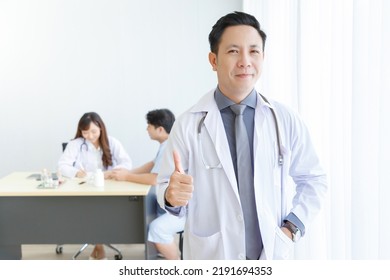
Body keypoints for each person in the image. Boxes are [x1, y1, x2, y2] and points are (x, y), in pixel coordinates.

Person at [156, 11, 327, 260]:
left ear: (263, 57)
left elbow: (314, 179)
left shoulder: (284, 119)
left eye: (254, 51)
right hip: (212, 257)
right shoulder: (187, 124)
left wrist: (292, 227)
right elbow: (166, 190)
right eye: (233, 51)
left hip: (270, 255)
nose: (245, 61)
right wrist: (172, 196)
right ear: (213, 60)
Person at [108, 109, 185, 260]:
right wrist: (127, 173)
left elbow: (154, 179)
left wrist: (126, 176)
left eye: (149, 126)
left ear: (160, 129)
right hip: (171, 204)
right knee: (152, 218)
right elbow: (152, 165)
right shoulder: (166, 145)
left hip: (183, 210)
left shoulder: (170, 146)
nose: (146, 129)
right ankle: (160, 251)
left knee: (156, 229)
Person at [58, 112, 132, 260]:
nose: (90, 136)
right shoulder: (76, 144)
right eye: (85, 132)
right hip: (83, 188)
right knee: (93, 209)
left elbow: (127, 164)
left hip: (109, 189)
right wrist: (76, 172)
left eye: (93, 131)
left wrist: (112, 173)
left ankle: (98, 246)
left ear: (101, 128)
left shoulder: (112, 142)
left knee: (102, 209)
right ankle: (99, 246)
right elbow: (62, 166)